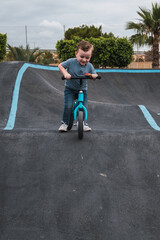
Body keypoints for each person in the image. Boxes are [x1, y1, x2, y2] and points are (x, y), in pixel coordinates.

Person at [58, 40, 98, 132]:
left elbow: (93, 75)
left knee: (84, 106)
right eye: (81, 56)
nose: (84, 60)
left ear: (90, 56)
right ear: (76, 54)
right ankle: (65, 123)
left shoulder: (90, 66)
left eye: (87, 57)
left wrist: (94, 76)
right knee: (68, 105)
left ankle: (83, 123)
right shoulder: (71, 62)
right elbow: (60, 65)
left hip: (82, 90)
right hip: (70, 89)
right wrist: (66, 74)